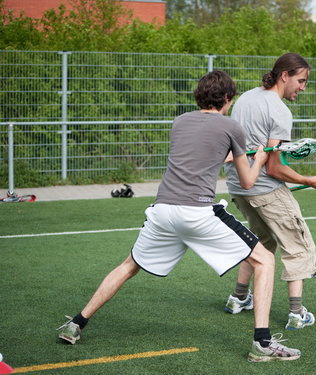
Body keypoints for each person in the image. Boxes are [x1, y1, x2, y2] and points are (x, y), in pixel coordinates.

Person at [57, 70, 301, 362]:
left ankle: (76, 323)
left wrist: (234, 155)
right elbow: (247, 181)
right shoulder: (231, 127)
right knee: (265, 260)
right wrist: (259, 159)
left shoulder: (180, 122)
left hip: (161, 211)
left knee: (128, 266)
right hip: (196, 212)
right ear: (227, 98)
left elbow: (200, 156)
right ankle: (262, 343)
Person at [224, 53, 316, 330]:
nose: (303, 87)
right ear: (285, 76)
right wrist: (310, 180)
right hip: (264, 188)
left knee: (261, 242)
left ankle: (239, 298)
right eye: (301, 80)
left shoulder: (245, 97)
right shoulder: (280, 111)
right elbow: (274, 169)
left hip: (237, 186)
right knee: (299, 246)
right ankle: (297, 314)